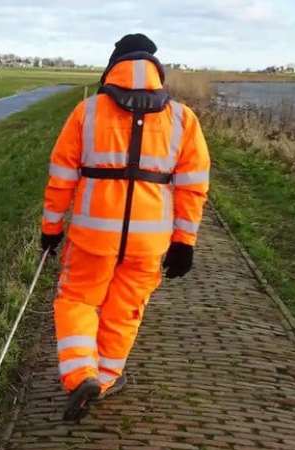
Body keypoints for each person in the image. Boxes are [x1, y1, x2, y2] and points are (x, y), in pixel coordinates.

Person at [40, 33, 210, 421]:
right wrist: (185, 241)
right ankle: (104, 378)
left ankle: (81, 374)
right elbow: (193, 187)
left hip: (91, 236)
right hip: (148, 242)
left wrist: (51, 228)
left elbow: (61, 177)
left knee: (77, 301)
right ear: (157, 71)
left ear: (112, 67)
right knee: (125, 310)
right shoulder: (184, 119)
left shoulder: (87, 112)